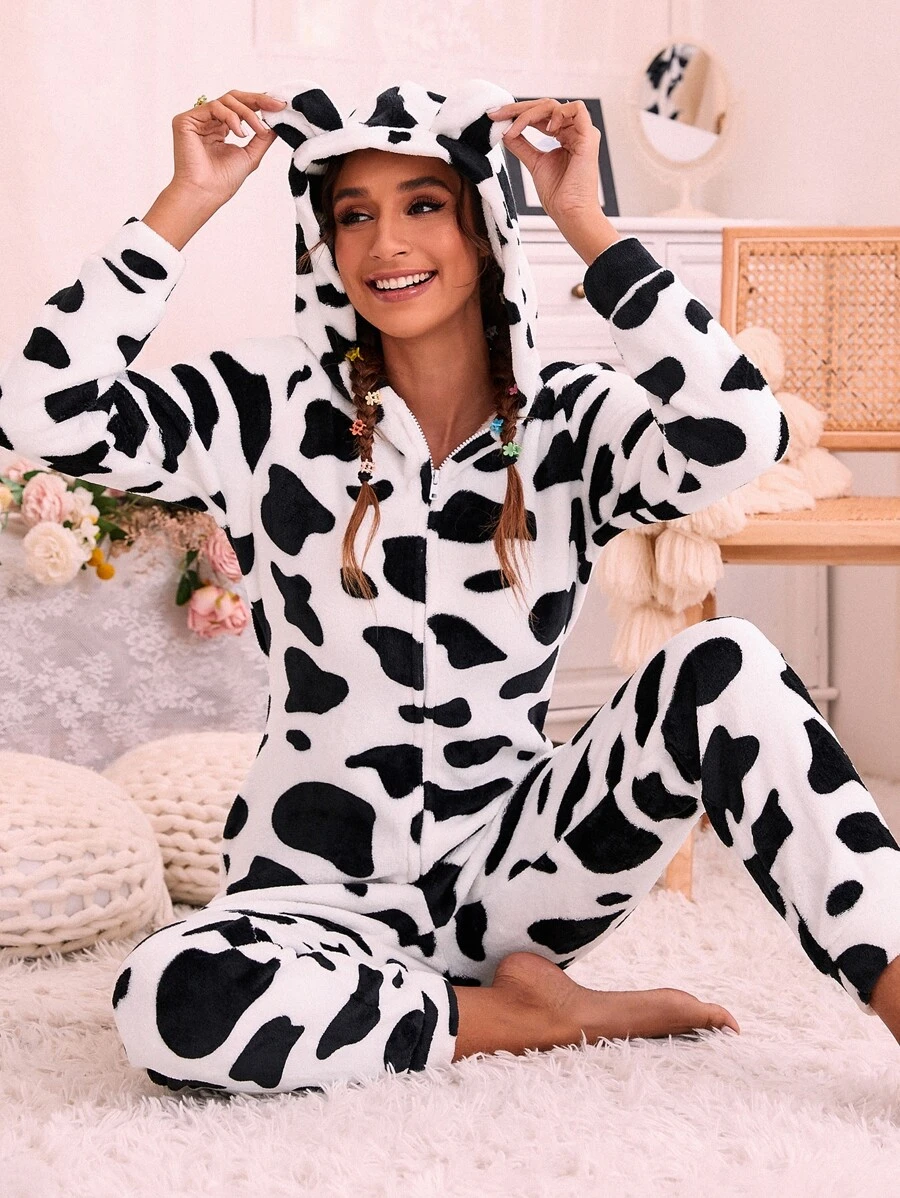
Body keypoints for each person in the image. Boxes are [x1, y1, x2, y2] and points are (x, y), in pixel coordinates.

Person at [2, 79, 900, 1098]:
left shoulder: (569, 418)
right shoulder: (262, 404)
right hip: (314, 899)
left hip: (522, 875)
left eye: (424, 204)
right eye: (354, 215)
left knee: (723, 663)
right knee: (172, 995)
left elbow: (740, 433)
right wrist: (187, 202)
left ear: (482, 228)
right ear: (325, 243)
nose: (387, 243)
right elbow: (40, 412)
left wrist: (583, 219)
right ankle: (510, 1019)